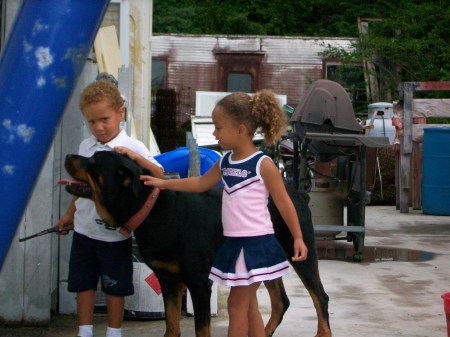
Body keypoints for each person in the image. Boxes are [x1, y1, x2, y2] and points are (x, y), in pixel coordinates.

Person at [140, 90, 308, 337]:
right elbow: (199, 184)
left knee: (235, 304)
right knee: (248, 306)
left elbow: (284, 203)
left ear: (240, 130)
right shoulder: (225, 161)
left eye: (218, 128)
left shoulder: (263, 164)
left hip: (257, 246)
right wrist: (164, 183)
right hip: (235, 245)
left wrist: (297, 237)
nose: (215, 133)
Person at [57, 80, 164, 337]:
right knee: (83, 282)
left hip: (114, 234)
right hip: (83, 230)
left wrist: (134, 157)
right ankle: (84, 331)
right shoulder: (86, 146)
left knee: (115, 285)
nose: (99, 127)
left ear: (120, 113)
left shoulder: (134, 147)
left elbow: (159, 175)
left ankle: (114, 332)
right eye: (91, 122)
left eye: (104, 119)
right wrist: (70, 214)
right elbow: (82, 188)